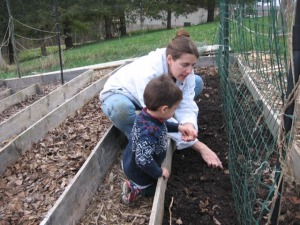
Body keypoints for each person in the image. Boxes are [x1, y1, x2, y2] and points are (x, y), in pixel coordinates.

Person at [100, 28, 223, 169]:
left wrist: (189, 125)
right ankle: (137, 143)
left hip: (150, 97)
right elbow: (157, 115)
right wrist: (200, 146)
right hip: (121, 93)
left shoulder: (185, 67)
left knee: (197, 82)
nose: (189, 70)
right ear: (169, 59)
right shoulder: (149, 73)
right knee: (121, 110)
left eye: (192, 65)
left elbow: (187, 102)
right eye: (185, 65)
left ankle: (166, 114)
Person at [121, 75, 192, 204]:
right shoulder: (149, 132)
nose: (175, 110)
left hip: (130, 159)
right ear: (164, 109)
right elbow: (143, 160)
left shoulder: (147, 115)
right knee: (155, 189)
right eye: (175, 108)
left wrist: (178, 127)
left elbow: (162, 125)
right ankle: (135, 188)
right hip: (139, 172)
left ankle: (135, 184)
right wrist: (159, 172)